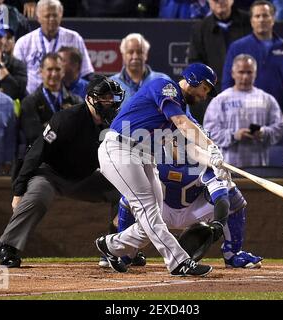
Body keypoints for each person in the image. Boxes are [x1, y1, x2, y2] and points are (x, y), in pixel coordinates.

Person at [96, 63, 228, 277]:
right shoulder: (165, 86)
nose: (205, 95)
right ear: (193, 79)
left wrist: (213, 162)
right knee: (148, 211)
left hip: (143, 156)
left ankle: (111, 246)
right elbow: (184, 125)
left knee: (153, 218)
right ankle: (178, 261)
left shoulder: (181, 110)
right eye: (204, 88)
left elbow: (192, 147)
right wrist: (211, 148)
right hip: (120, 148)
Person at [0, 75, 125, 267]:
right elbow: (37, 151)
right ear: (90, 98)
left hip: (85, 177)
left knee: (124, 193)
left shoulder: (116, 124)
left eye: (112, 97)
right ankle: (6, 247)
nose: (109, 102)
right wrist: (18, 189)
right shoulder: (66, 118)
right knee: (38, 197)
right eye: (104, 97)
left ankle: (117, 248)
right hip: (50, 173)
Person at [116, 157, 263, 269]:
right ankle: (125, 253)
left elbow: (221, 197)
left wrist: (218, 223)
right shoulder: (152, 157)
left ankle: (233, 254)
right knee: (129, 196)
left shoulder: (201, 163)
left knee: (232, 194)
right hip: (159, 211)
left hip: (195, 212)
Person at [222, 0, 283, 119]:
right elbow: (227, 83)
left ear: (273, 19)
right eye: (257, 16)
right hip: (242, 115)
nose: (261, 19)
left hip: (277, 117)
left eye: (265, 15)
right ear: (251, 21)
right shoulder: (237, 47)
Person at [204, 54, 283, 167]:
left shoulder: (267, 99)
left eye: (249, 72)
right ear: (233, 73)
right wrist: (234, 136)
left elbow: (279, 127)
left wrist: (263, 133)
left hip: (259, 166)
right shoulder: (220, 100)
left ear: (255, 74)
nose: (245, 77)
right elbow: (208, 132)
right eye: (241, 72)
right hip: (228, 166)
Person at [13, 0, 94, 94]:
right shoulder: (24, 42)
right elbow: (17, 75)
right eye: (47, 16)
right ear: (38, 17)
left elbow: (86, 72)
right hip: (32, 98)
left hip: (67, 98)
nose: (51, 19)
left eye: (55, 15)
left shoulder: (74, 38)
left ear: (61, 15)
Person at [188, 0, 251, 93]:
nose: (220, 2)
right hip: (214, 92)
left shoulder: (251, 22)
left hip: (248, 89)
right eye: (215, 0)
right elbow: (195, 63)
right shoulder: (200, 29)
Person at [111, 33, 169, 106]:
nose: (135, 56)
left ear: (146, 55)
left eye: (139, 52)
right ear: (123, 55)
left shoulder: (163, 81)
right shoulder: (111, 85)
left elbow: (180, 111)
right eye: (130, 52)